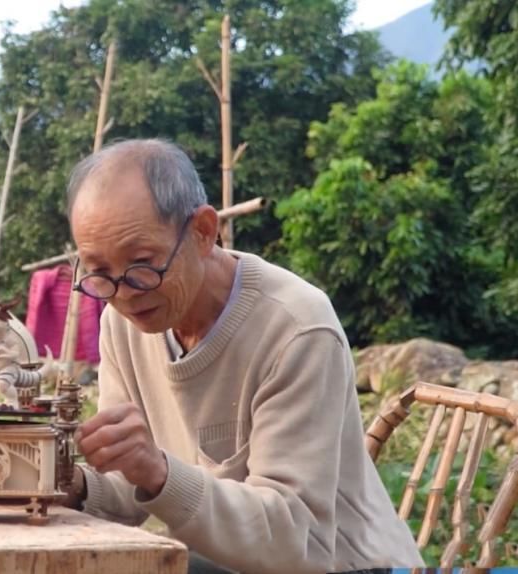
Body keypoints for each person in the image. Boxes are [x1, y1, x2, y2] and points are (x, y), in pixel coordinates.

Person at [61, 138, 424, 573]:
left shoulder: (296, 328)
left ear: (202, 232)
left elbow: (292, 538)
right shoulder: (124, 322)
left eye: (142, 263)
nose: (121, 293)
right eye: (99, 272)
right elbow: (130, 482)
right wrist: (71, 484)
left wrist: (158, 471)